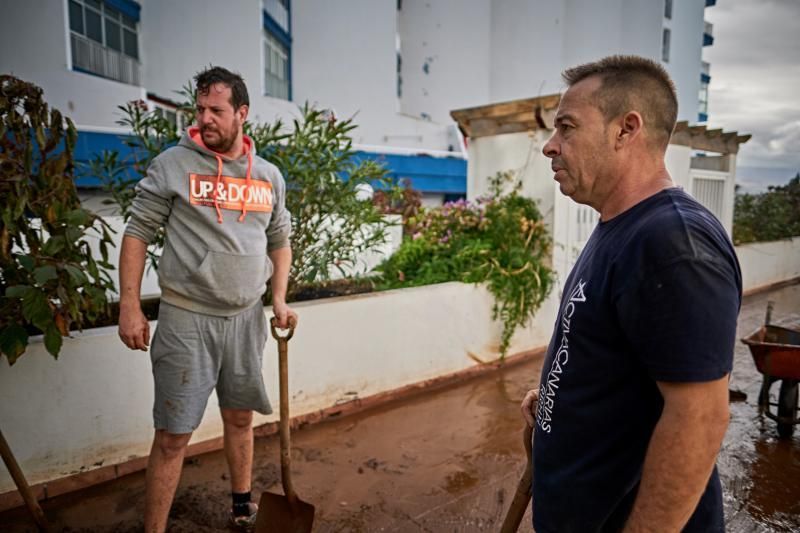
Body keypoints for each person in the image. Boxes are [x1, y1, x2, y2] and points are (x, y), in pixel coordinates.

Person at [519, 55, 741, 532]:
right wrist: (563, 397)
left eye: (566, 127)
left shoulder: (671, 244)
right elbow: (622, 356)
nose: (550, 147)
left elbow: (699, 419)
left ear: (626, 129)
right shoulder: (620, 229)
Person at [118, 66, 296, 532]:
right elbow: (137, 232)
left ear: (242, 113)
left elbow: (280, 239)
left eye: (216, 110)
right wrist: (130, 305)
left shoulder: (268, 176)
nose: (204, 119)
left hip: (246, 318)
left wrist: (278, 298)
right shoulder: (173, 165)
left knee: (240, 418)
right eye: (199, 109)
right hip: (187, 319)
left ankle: (242, 506)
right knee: (174, 435)